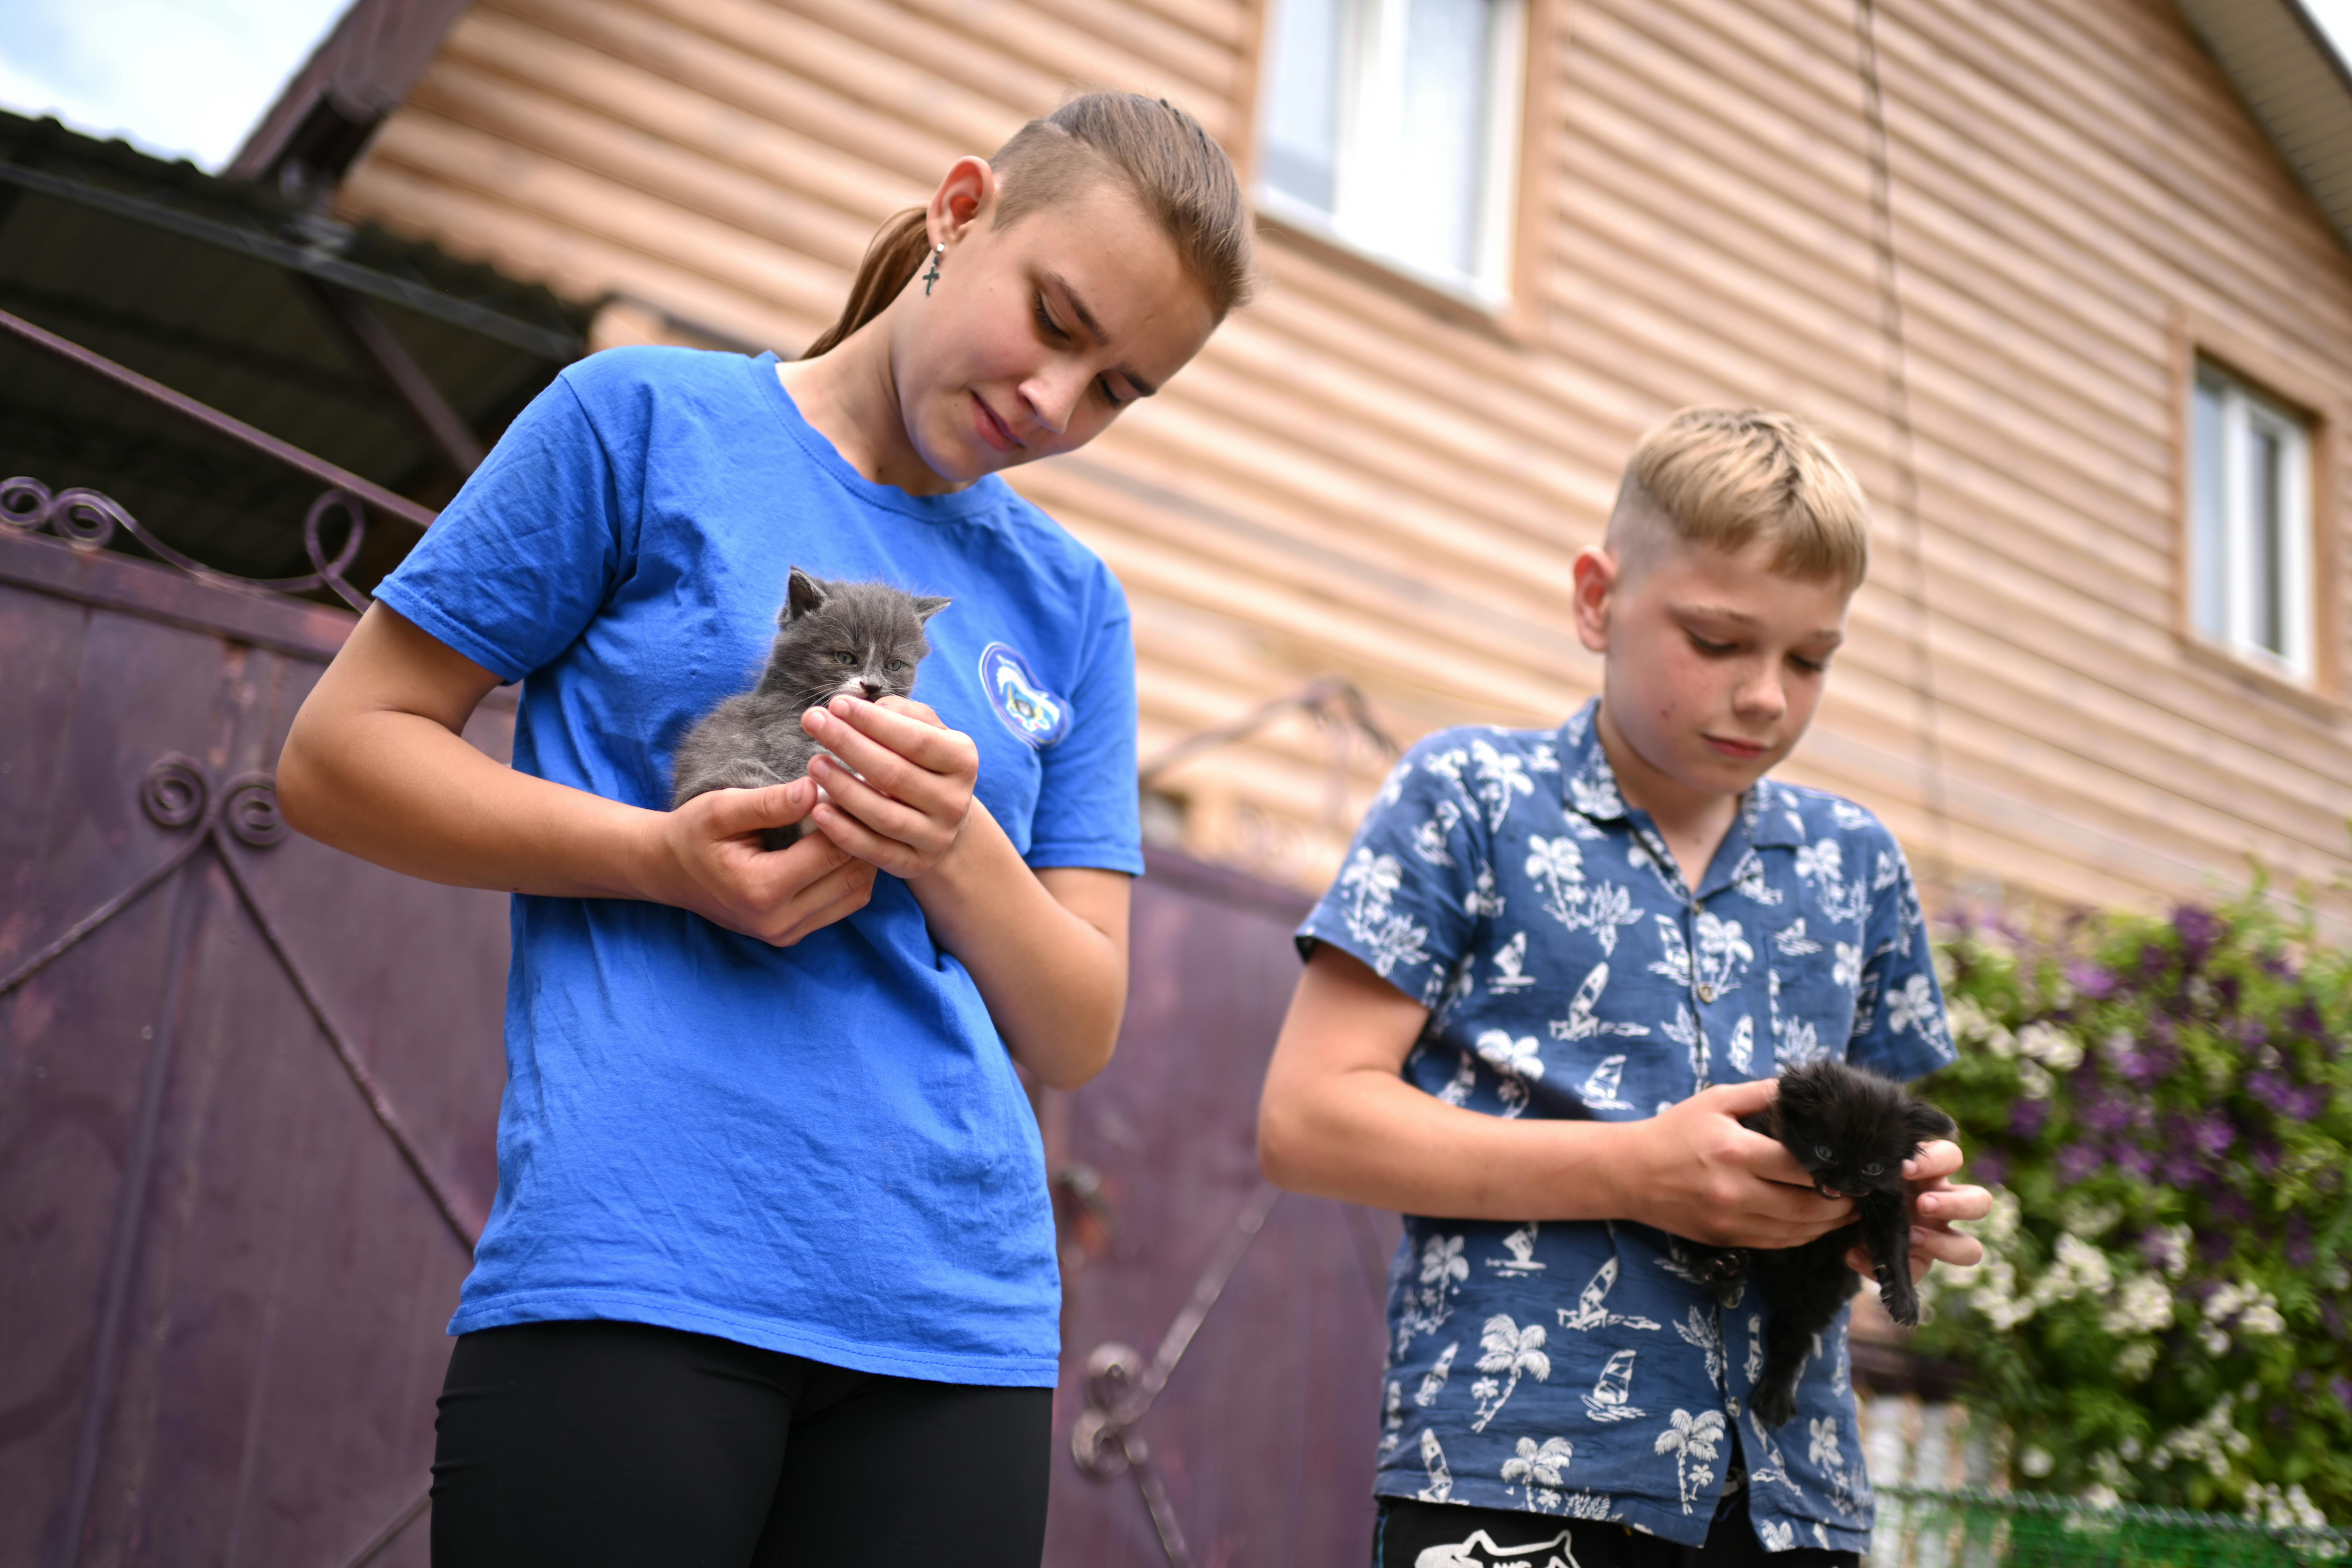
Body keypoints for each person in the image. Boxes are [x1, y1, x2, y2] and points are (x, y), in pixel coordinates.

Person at [277, 93, 1251, 1567]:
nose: (1056, 404)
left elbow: (1075, 1029)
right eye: (1054, 320)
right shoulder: (639, 423)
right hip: (638, 1268)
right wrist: (659, 860)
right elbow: (340, 757)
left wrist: (956, 844)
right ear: (960, 207)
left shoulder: (1073, 602)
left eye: (1118, 387)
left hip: (956, 1330)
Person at [1255, 409, 1996, 1565]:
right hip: (1506, 1470)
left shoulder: (1859, 864)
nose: (1765, 695)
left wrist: (1882, 1210)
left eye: (1809, 660)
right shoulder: (1467, 796)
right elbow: (1305, 1121)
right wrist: (1633, 1171)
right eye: (1716, 640)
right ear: (1597, 598)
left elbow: (1865, 1148)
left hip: (1792, 1499)